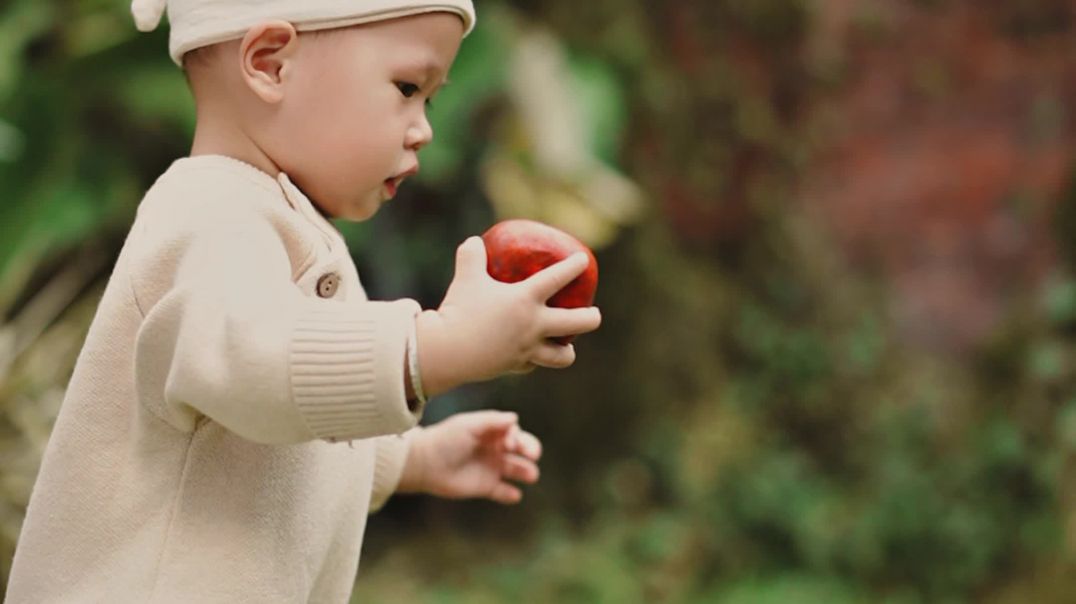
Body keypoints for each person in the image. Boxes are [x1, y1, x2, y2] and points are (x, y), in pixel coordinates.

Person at [4, 0, 602, 601]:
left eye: (430, 99)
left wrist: (409, 460)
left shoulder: (277, 225)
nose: (424, 128)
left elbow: (267, 438)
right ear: (270, 64)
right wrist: (441, 346)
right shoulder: (210, 216)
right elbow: (261, 367)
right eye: (407, 87)